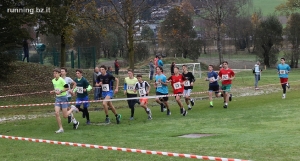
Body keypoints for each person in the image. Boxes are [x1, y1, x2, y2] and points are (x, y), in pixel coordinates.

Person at [50, 68, 78, 133]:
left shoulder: (62, 80)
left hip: (63, 98)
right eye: (54, 73)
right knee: (56, 113)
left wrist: (61, 91)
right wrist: (53, 91)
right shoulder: (53, 80)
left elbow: (67, 88)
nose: (55, 74)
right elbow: (57, 89)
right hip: (57, 98)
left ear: (59, 74)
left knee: (65, 116)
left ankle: (72, 108)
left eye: (56, 73)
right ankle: (61, 128)